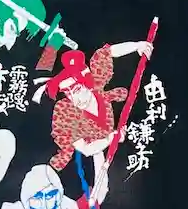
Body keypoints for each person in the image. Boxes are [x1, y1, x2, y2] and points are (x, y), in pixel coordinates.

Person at [33, 39, 153, 199]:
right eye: (69, 93)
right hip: (85, 157)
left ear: (87, 84)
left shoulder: (97, 80)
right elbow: (85, 149)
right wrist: (109, 140)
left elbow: (106, 53)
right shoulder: (66, 112)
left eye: (77, 89)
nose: (75, 98)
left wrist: (137, 46)